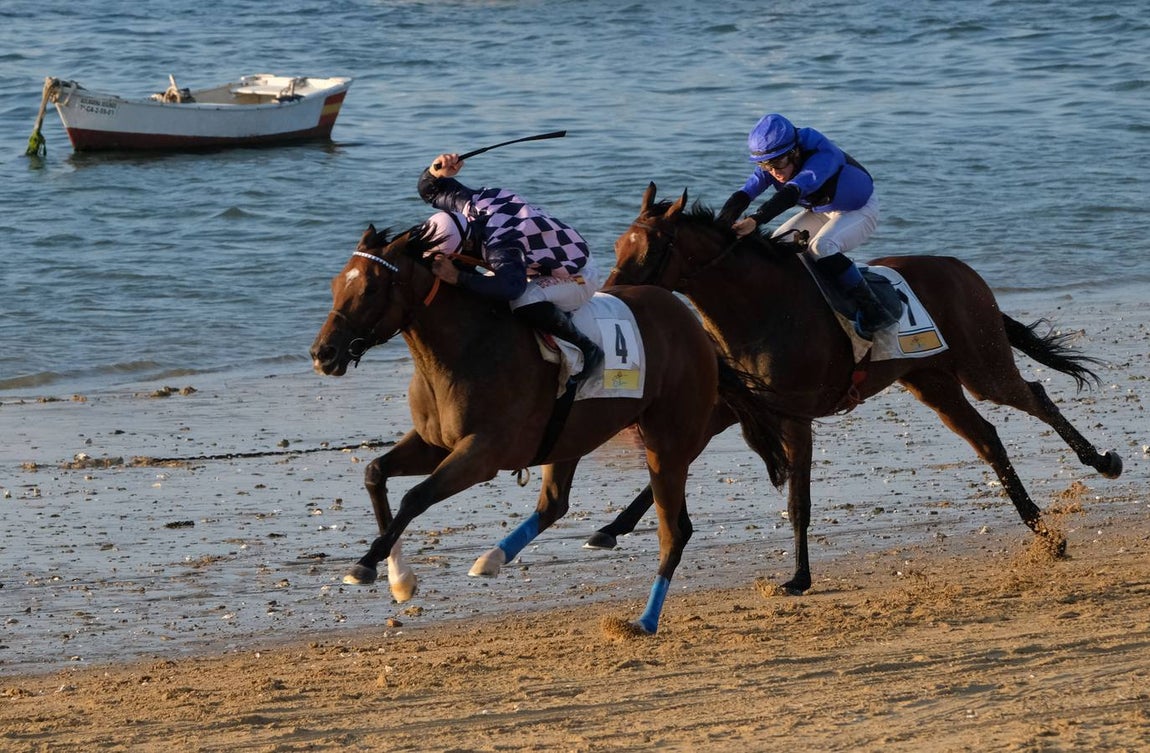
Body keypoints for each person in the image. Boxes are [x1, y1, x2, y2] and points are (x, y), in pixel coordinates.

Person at [417, 152, 604, 381]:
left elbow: (511, 288)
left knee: (523, 300)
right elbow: (429, 189)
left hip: (578, 274)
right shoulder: (465, 205)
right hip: (534, 260)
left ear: (466, 243)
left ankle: (588, 350)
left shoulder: (502, 244)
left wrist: (458, 277)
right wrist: (437, 170)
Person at [718, 113, 899, 339]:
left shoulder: (823, 156)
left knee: (821, 247)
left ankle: (874, 310)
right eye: (766, 166)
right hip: (821, 211)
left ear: (794, 152)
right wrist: (721, 224)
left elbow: (791, 194)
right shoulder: (776, 160)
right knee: (780, 242)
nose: (774, 172)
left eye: (778, 164)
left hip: (859, 211)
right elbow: (746, 192)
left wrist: (755, 220)